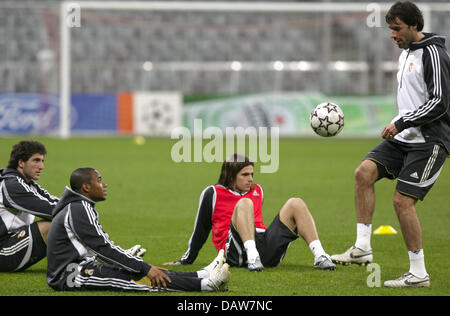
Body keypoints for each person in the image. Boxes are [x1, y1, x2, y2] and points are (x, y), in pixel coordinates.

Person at [331, 1, 449, 288]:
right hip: (404, 139)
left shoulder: (433, 53)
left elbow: (440, 102)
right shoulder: (406, 53)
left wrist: (402, 122)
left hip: (429, 142)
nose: (392, 35)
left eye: (397, 29)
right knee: (363, 173)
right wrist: (401, 125)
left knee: (402, 202)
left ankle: (418, 273)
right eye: (390, 29)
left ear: (414, 26)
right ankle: (362, 249)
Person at [46, 168, 230, 292]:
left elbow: (101, 248)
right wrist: (144, 267)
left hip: (80, 266)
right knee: (133, 278)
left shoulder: (79, 206)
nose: (105, 184)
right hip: (69, 275)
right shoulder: (78, 209)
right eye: (100, 180)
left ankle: (200, 274)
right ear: (86, 187)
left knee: (138, 270)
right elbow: (103, 249)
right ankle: (206, 285)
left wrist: (140, 265)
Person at [165, 154, 336, 272]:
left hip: (264, 247)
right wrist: (186, 260)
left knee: (295, 203)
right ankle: (252, 256)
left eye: (252, 174)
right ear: (231, 175)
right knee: (244, 203)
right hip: (234, 251)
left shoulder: (258, 191)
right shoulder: (213, 193)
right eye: (245, 175)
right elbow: (201, 230)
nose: (250, 179)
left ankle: (320, 255)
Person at [0, 140, 59, 272]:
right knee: (54, 225)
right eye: (36, 161)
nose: (41, 166)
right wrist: (81, 208)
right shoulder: (12, 185)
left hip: (13, 242)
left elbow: (55, 202)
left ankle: (80, 262)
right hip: (3, 250)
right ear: (21, 163)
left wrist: (77, 206)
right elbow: (52, 210)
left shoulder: (27, 184)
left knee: (67, 217)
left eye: (42, 161)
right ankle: (78, 265)